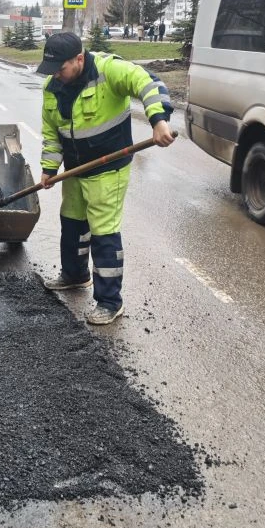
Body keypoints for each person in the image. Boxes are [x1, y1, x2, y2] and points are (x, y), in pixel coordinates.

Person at [39, 31, 175, 325]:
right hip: (75, 169)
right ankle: (75, 275)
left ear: (78, 59)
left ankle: (110, 302)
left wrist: (158, 119)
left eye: (60, 69)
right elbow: (52, 135)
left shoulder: (108, 70)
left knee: (103, 233)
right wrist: (49, 170)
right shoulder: (52, 87)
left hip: (107, 167)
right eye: (52, 70)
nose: (56, 76)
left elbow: (148, 83)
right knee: (72, 222)